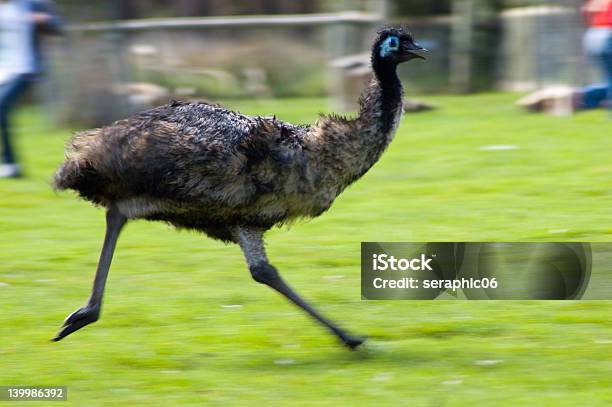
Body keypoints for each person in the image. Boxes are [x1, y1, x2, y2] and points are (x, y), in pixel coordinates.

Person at [0, 0, 61, 178]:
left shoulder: (31, 4)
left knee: (1, 107)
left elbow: (58, 27)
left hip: (24, 69)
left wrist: (44, 20)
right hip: (2, 69)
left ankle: (11, 165)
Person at [579, 0, 612, 110]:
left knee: (608, 77)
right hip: (607, 35)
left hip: (593, 34)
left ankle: (586, 100)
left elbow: (585, 10)